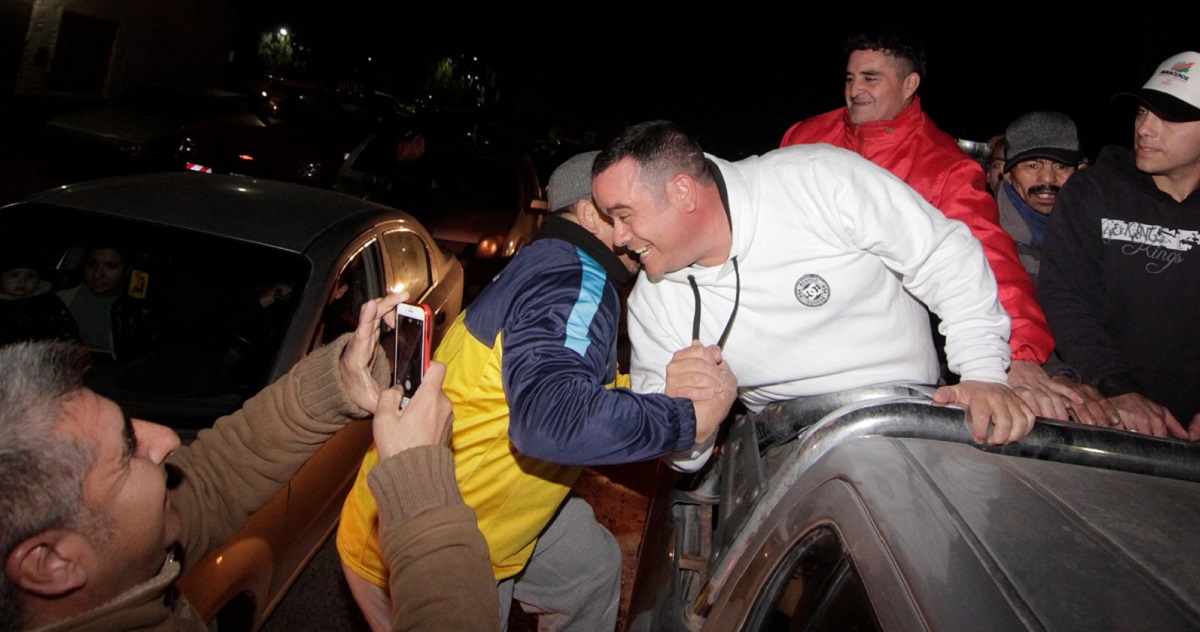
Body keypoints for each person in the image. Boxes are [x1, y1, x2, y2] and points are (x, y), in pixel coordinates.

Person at [337, 151, 735, 631]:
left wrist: (654, 388)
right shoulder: (575, 280)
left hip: (446, 501)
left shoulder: (547, 261)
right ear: (587, 213)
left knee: (592, 568)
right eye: (621, 215)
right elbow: (552, 419)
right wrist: (686, 420)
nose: (634, 230)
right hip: (439, 537)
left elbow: (555, 377)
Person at [0, 292, 501, 631]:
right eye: (128, 450)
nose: (167, 440)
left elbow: (212, 481)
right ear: (52, 564)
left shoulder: (113, 553)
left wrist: (337, 387)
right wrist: (420, 488)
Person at [592, 119, 1034, 473]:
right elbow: (681, 460)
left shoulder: (817, 180)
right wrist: (688, 417)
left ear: (683, 192)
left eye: (624, 215)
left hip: (912, 421)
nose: (618, 237)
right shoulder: (652, 301)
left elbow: (941, 254)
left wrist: (982, 372)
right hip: (790, 454)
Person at [779, 28, 1066, 417]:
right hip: (787, 337)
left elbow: (987, 257)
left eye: (871, 78)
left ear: (909, 84)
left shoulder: (944, 166)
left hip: (878, 360)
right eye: (850, 78)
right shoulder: (804, 136)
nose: (855, 90)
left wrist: (1019, 355)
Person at [1039, 51, 1200, 440]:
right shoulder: (1093, 191)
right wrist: (1118, 388)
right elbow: (1067, 299)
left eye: (1168, 117)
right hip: (1104, 421)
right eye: (1143, 112)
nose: (1145, 128)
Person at [994, 111, 1117, 425]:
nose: (1047, 180)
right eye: (1032, 165)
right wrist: (1061, 377)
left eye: (1061, 166)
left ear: (1081, 171)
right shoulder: (989, 237)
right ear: (1008, 173)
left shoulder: (1105, 237)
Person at [57, 243, 132, 357]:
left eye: (111, 266)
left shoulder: (139, 310)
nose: (97, 274)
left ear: (127, 269)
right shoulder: (60, 300)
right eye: (91, 264)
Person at [0, 248, 80, 346]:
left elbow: (67, 331)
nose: (22, 281)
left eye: (30, 276)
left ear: (38, 281)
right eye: (14, 275)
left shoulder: (49, 303)